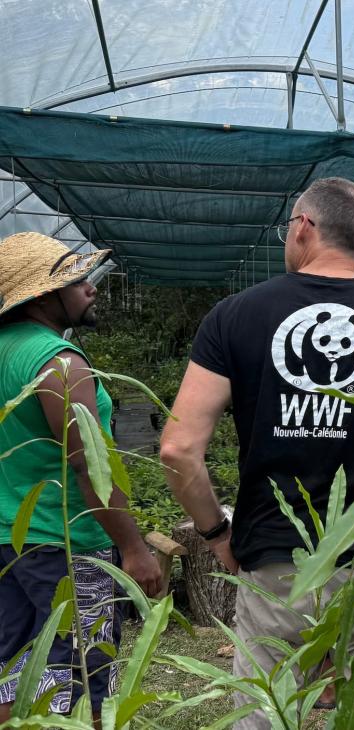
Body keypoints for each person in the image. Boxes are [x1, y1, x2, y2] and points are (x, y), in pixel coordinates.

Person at [159, 177, 354, 728]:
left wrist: (216, 535)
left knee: (266, 709)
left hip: (276, 556)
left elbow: (178, 449)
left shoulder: (234, 316)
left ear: (303, 227)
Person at [0, 232, 161, 723]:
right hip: (68, 545)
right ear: (42, 297)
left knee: (13, 672)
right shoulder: (59, 362)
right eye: (75, 279)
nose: (89, 287)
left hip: (10, 540)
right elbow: (91, 468)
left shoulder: (6, 349)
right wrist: (134, 549)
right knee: (88, 674)